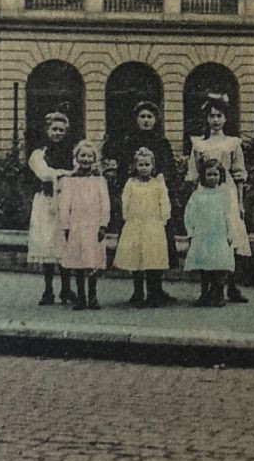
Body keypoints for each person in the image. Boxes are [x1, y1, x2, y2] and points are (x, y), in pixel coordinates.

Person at [104, 100, 179, 300]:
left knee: (157, 246)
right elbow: (122, 171)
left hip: (156, 200)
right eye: (142, 117)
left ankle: (156, 289)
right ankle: (138, 292)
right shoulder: (129, 142)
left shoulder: (162, 143)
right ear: (136, 119)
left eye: (150, 117)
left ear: (156, 120)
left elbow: (169, 169)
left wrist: (163, 184)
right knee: (136, 246)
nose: (146, 121)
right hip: (137, 202)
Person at [186, 95, 251, 303]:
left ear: (225, 119)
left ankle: (230, 287)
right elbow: (193, 173)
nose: (215, 120)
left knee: (232, 238)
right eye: (211, 116)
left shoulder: (233, 143)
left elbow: (239, 174)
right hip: (205, 195)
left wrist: (240, 202)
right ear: (206, 119)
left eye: (219, 116)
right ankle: (208, 291)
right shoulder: (199, 144)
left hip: (228, 192)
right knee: (208, 239)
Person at [27, 110, 77, 305]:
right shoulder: (39, 154)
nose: (57, 133)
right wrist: (66, 173)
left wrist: (66, 173)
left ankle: (66, 289)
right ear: (47, 131)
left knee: (64, 244)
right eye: (54, 129)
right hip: (46, 202)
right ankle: (48, 290)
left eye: (61, 130)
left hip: (65, 202)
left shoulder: (71, 152)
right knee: (47, 244)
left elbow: (77, 170)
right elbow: (44, 173)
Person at [113, 147, 172, 307]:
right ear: (135, 166)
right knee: (136, 261)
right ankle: (138, 293)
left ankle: (153, 294)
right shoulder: (131, 183)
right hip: (135, 225)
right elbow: (125, 202)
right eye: (141, 165)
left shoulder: (158, 183)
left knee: (152, 261)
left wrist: (163, 220)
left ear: (153, 166)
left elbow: (164, 202)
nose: (144, 168)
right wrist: (128, 219)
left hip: (153, 226)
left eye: (147, 164)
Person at [58, 139, 111, 311]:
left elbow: (105, 204)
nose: (86, 159)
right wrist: (65, 226)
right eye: (83, 155)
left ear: (94, 158)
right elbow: (65, 205)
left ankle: (93, 297)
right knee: (79, 262)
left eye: (90, 156)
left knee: (92, 261)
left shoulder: (99, 180)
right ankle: (81, 298)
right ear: (77, 157)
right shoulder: (70, 180)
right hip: (76, 226)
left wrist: (103, 225)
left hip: (94, 226)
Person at [183, 158, 236, 307]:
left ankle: (218, 294)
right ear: (203, 176)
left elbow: (229, 214)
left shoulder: (224, 194)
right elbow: (190, 214)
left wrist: (230, 233)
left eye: (215, 174)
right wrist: (190, 232)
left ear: (221, 176)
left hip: (219, 234)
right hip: (203, 234)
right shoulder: (198, 194)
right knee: (205, 265)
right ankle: (204, 294)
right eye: (209, 175)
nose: (212, 178)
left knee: (219, 265)